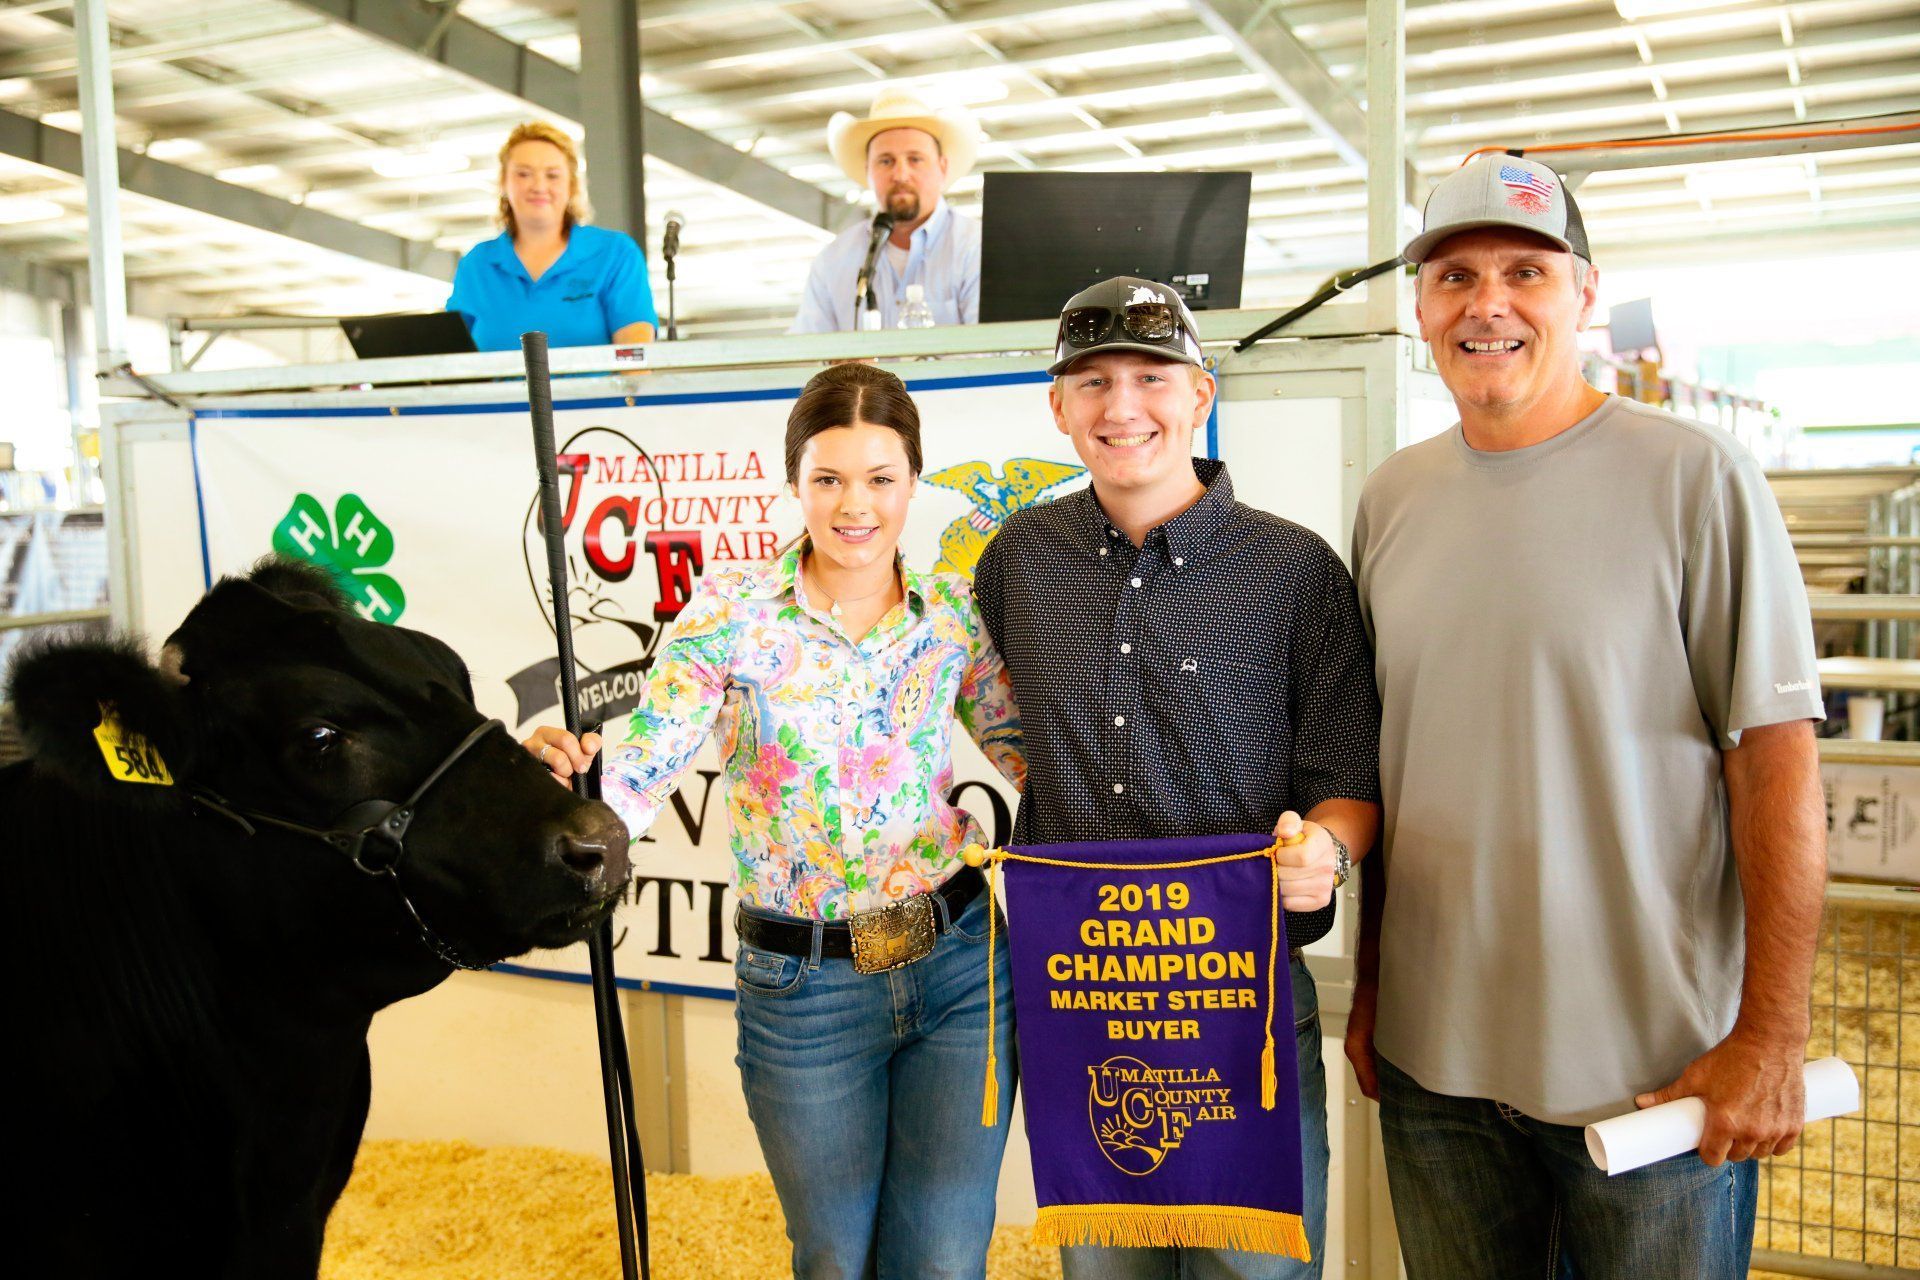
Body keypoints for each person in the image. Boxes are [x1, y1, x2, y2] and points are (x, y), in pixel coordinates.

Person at [1346, 154, 1826, 1278]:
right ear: (1422, 308)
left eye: (1526, 270)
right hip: (1435, 1066)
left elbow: (1776, 762)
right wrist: (1374, 984)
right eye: (1456, 276)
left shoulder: (1695, 478)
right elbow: (1388, 765)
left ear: (1586, 293)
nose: (1489, 303)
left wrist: (1771, 1033)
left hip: (1653, 1071)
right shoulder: (1391, 498)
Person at [523, 363, 1024, 1279]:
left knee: (945, 1259)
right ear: (793, 483)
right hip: (807, 991)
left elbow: (1028, 751)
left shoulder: (953, 611)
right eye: (828, 478)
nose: (855, 505)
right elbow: (643, 763)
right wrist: (568, 788)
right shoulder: (728, 612)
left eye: (880, 478)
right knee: (833, 1258)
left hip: (958, 972)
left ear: (914, 481)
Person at [972, 276, 1383, 1280]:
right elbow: (999, 723)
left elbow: (1349, 780)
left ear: (1200, 395)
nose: (1123, 406)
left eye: (1152, 377)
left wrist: (1323, 849)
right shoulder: (1018, 561)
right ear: (1057, 407)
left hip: (1243, 1005)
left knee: (1259, 1271)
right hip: (1081, 1002)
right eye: (1094, 381)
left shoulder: (1295, 571)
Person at [447, 121, 657, 351]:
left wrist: (633, 381)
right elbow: (451, 357)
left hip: (592, 389)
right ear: (503, 182)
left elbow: (636, 354)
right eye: (523, 174)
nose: (538, 186)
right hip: (500, 389)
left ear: (572, 185)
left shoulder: (615, 254)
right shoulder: (477, 264)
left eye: (553, 175)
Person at [791, 89, 983, 334]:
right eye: (885, 161)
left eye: (915, 159)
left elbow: (998, 354)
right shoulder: (833, 261)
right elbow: (806, 354)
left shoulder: (977, 248)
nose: (900, 175)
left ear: (942, 167)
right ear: (867, 170)